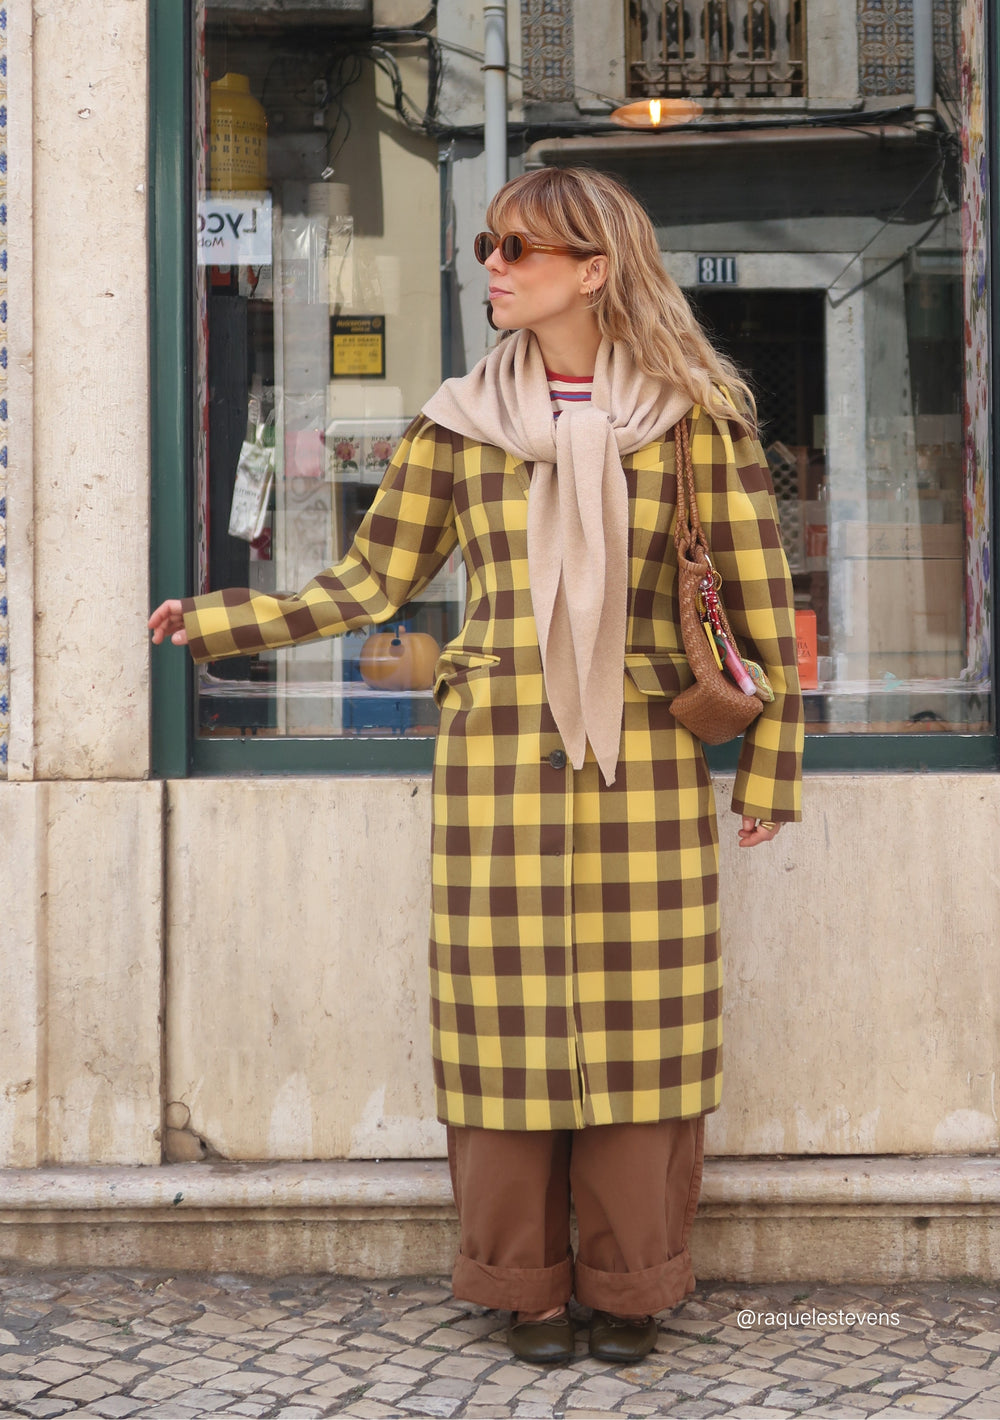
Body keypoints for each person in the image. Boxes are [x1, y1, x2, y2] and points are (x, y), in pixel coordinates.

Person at [150, 166, 803, 1366]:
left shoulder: (697, 417)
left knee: (642, 1033)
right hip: (495, 761)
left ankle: (630, 1281)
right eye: (485, 245)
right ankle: (524, 1285)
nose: (491, 265)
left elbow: (759, 608)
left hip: (646, 757)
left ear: (594, 270)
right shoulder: (454, 422)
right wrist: (223, 621)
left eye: (518, 247)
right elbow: (372, 584)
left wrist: (769, 771)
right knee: (500, 1033)